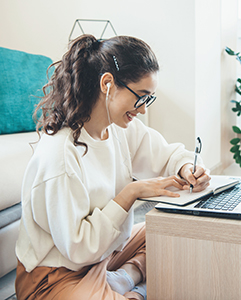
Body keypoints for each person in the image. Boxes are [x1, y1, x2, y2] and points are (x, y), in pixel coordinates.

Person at [15, 34, 210, 300]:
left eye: (148, 99)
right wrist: (130, 193)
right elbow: (79, 248)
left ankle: (124, 278)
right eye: (140, 97)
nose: (141, 110)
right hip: (56, 275)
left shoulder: (116, 128)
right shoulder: (60, 156)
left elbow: (167, 155)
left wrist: (188, 167)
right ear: (107, 83)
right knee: (169, 275)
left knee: (180, 232)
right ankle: (135, 289)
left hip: (103, 255)